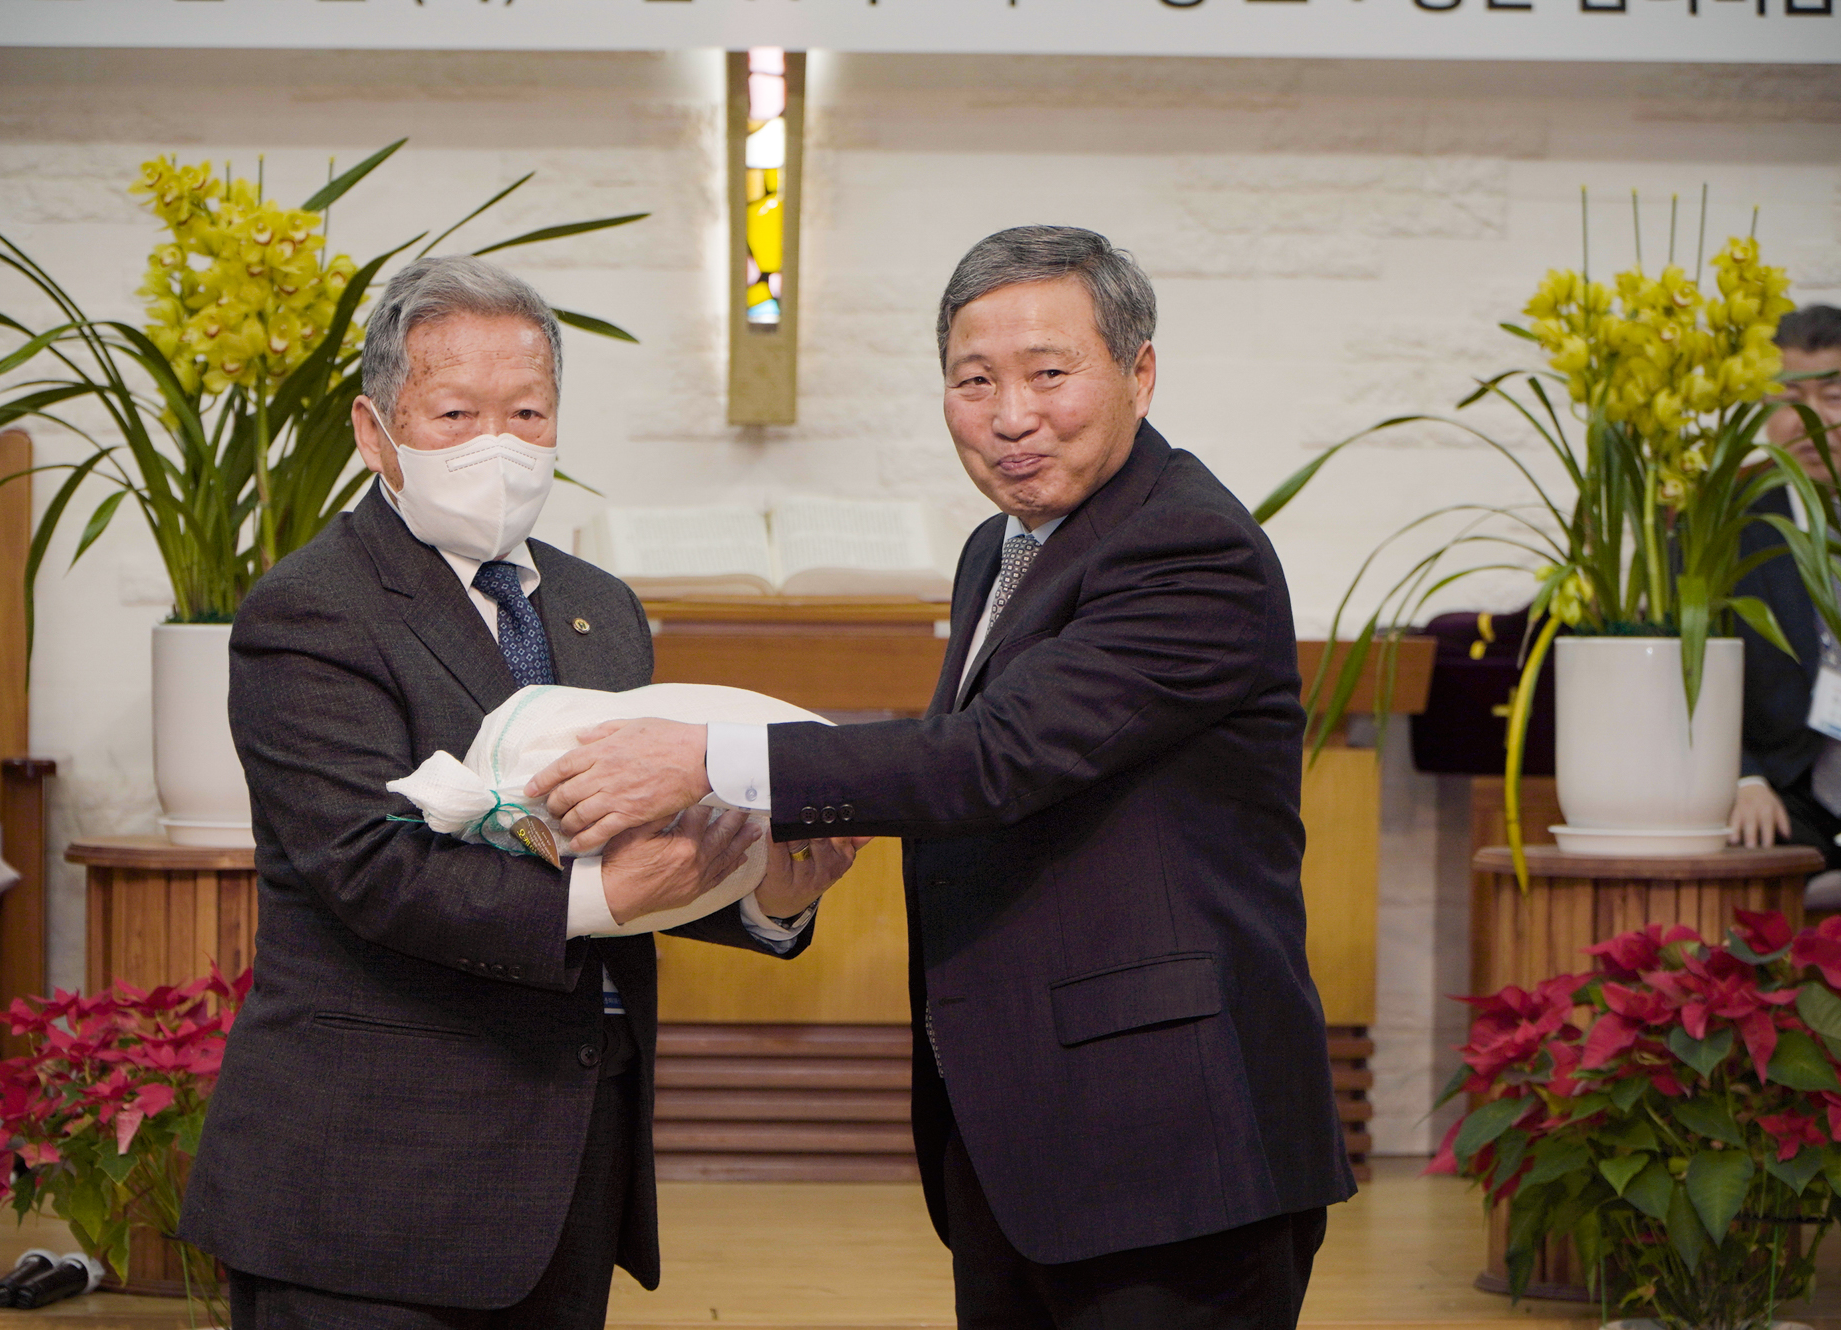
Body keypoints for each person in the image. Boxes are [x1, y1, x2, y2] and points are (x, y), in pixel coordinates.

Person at [531, 227, 1356, 1329]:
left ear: (1140, 372)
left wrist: (700, 754)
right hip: (1026, 1138)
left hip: (1168, 1146)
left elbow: (993, 759)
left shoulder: (1187, 545)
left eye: (1048, 373)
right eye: (974, 382)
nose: (1011, 416)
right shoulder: (998, 549)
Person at [179, 255, 864, 1330]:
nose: (496, 443)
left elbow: (633, 848)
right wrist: (607, 896)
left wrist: (762, 894)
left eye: (527, 413)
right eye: (455, 413)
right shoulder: (311, 608)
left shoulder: (601, 607)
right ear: (375, 432)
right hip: (373, 1178)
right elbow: (367, 866)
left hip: (570, 1159)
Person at [1728, 304, 1841, 865]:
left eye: (1833, 397)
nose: (1809, 421)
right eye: (1790, 400)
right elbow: (1685, 669)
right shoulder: (1722, 528)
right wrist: (1741, 779)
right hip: (1778, 795)